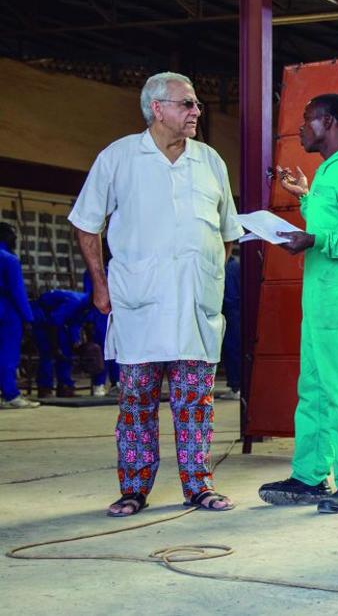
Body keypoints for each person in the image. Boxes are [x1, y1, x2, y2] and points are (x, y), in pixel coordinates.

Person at [69, 71, 242, 517]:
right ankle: (133, 489)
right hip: (139, 306)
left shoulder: (210, 161)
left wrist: (209, 275)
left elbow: (227, 233)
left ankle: (198, 486)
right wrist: (100, 284)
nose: (196, 112)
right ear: (157, 108)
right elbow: (87, 223)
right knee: (137, 401)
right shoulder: (120, 157)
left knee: (195, 402)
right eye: (187, 104)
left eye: (197, 104)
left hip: (195, 308)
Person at [257, 93, 338, 514]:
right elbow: (333, 222)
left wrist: (316, 239)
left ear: (328, 122)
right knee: (312, 390)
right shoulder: (328, 173)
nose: (300, 128)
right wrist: (306, 198)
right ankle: (310, 477)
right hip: (320, 299)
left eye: (307, 120)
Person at [0, 223, 39, 409]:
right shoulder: (10, 260)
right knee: (8, 354)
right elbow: (18, 292)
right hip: (7, 311)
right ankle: (10, 395)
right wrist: (28, 318)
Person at [31, 288, 89, 398]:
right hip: (42, 318)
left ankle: (65, 387)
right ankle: (44, 388)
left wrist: (75, 341)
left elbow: (75, 323)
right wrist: (56, 345)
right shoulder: (74, 302)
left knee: (66, 353)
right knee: (48, 354)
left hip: (55, 321)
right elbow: (55, 321)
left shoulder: (87, 306)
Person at [84, 249, 120, 397]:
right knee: (102, 350)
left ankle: (116, 382)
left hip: (115, 314)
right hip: (101, 313)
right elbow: (88, 296)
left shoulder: (116, 270)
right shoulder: (93, 272)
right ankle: (99, 384)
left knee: (116, 350)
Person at [216, 246, 242, 401]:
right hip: (235, 311)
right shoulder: (234, 266)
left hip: (229, 312)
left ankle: (235, 386)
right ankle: (236, 385)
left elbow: (227, 297)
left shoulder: (227, 267)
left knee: (231, 349)